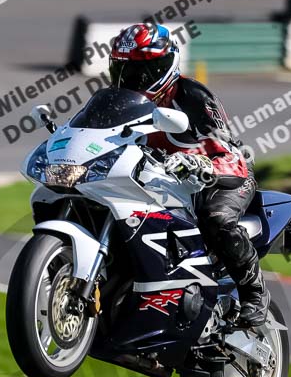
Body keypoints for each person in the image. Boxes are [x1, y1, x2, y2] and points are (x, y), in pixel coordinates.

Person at [108, 22, 270, 327]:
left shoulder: (192, 96)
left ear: (166, 66)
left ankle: (255, 293)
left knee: (215, 218)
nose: (133, 80)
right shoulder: (118, 102)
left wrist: (202, 164)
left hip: (222, 176)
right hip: (162, 178)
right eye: (124, 70)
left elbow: (228, 152)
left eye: (143, 71)